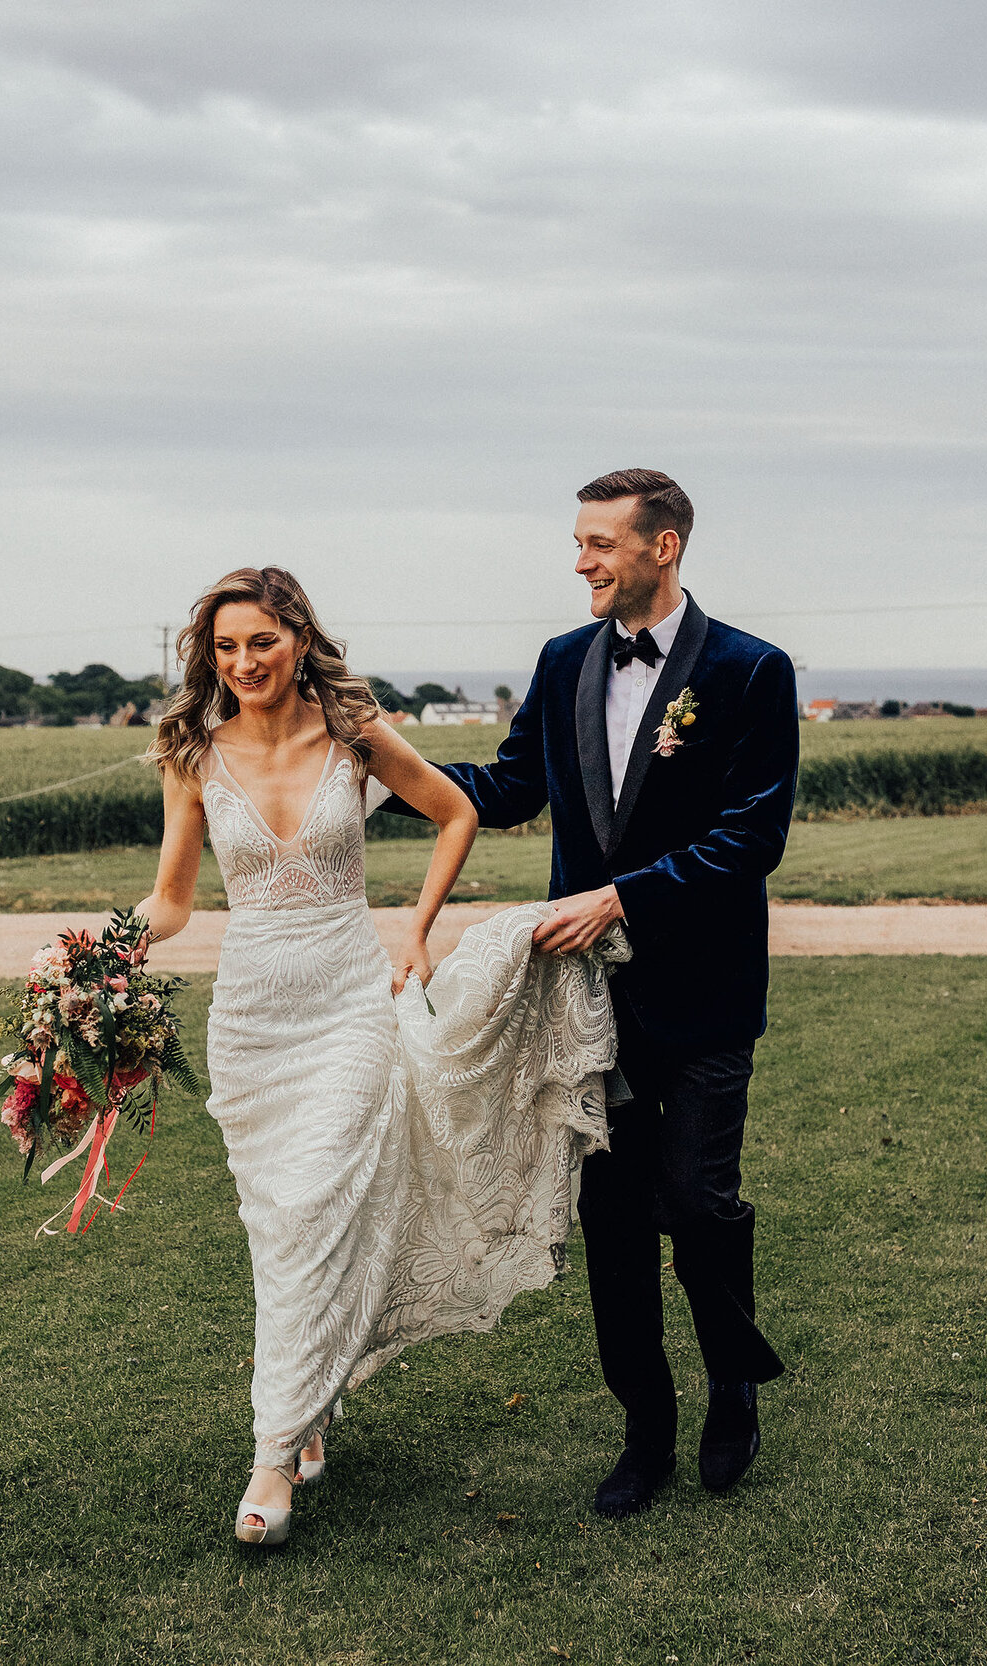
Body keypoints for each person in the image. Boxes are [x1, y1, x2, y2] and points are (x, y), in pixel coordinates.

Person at [135, 566, 630, 1547]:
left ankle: (271, 1454)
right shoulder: (192, 751)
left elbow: (457, 812)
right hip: (250, 1021)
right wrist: (105, 947)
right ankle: (310, 1402)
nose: (243, 664)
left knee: (318, 1198)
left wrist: (416, 928)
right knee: (279, 1226)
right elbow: (175, 899)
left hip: (347, 1007)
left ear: (297, 639)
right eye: (226, 648)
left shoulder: (353, 731)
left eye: (261, 644)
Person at [385, 468, 799, 1517]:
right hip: (584, 1009)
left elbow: (750, 836)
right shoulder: (563, 660)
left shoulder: (752, 671)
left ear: (663, 546)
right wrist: (375, 764)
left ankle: (731, 1382)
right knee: (614, 1220)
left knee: (699, 1205)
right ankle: (644, 1430)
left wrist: (620, 897)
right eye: (577, 541)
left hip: (703, 992)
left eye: (599, 542)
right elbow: (507, 787)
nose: (580, 561)